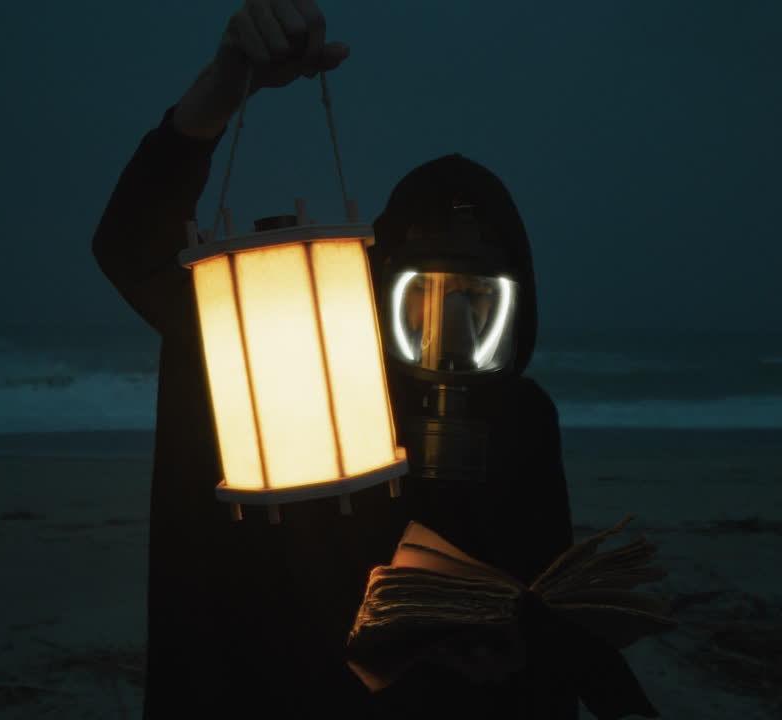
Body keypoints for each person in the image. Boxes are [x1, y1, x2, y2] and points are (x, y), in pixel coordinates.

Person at [93, 2, 659, 718]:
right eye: (421, 296)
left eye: (478, 303)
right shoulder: (304, 373)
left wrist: (523, 651)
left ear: (520, 309)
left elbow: (542, 603)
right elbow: (131, 252)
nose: (448, 326)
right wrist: (219, 90)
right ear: (376, 286)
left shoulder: (521, 418)